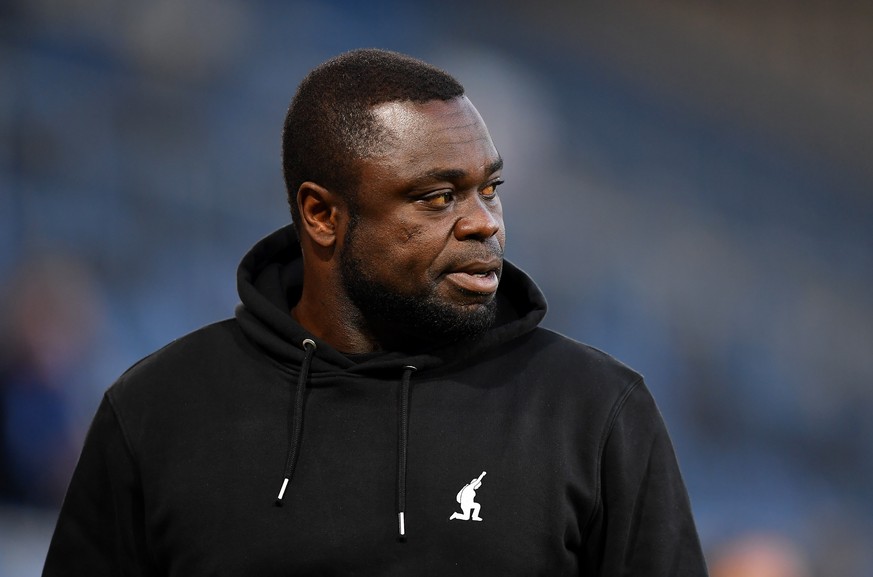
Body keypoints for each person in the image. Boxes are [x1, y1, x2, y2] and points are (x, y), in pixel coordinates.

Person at [43, 48, 708, 576]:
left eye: (489, 189)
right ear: (322, 215)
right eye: (437, 196)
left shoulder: (594, 412)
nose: (484, 224)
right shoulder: (160, 409)